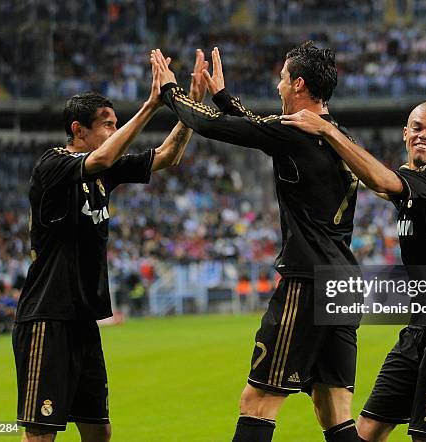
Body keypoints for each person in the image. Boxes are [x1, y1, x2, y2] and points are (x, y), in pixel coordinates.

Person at [154, 43, 364, 442]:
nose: (278, 85)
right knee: (333, 411)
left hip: (309, 282)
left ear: (298, 83)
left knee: (257, 403)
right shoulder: (335, 134)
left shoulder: (293, 134)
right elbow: (259, 127)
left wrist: (170, 91)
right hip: (345, 281)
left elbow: (213, 127)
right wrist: (223, 96)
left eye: (283, 78)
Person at [12, 49, 208, 442]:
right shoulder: (53, 165)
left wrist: (192, 107)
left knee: (99, 431)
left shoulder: (104, 169)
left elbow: (168, 156)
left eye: (115, 124)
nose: (113, 131)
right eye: (106, 125)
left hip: (83, 320)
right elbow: (101, 158)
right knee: (41, 434)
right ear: (78, 130)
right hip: (48, 317)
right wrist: (152, 105)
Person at [281, 101, 426, 441]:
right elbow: (375, 180)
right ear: (406, 133)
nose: (425, 136)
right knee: (366, 431)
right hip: (420, 328)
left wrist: (327, 130)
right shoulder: (411, 185)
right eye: (418, 128)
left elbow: (379, 178)